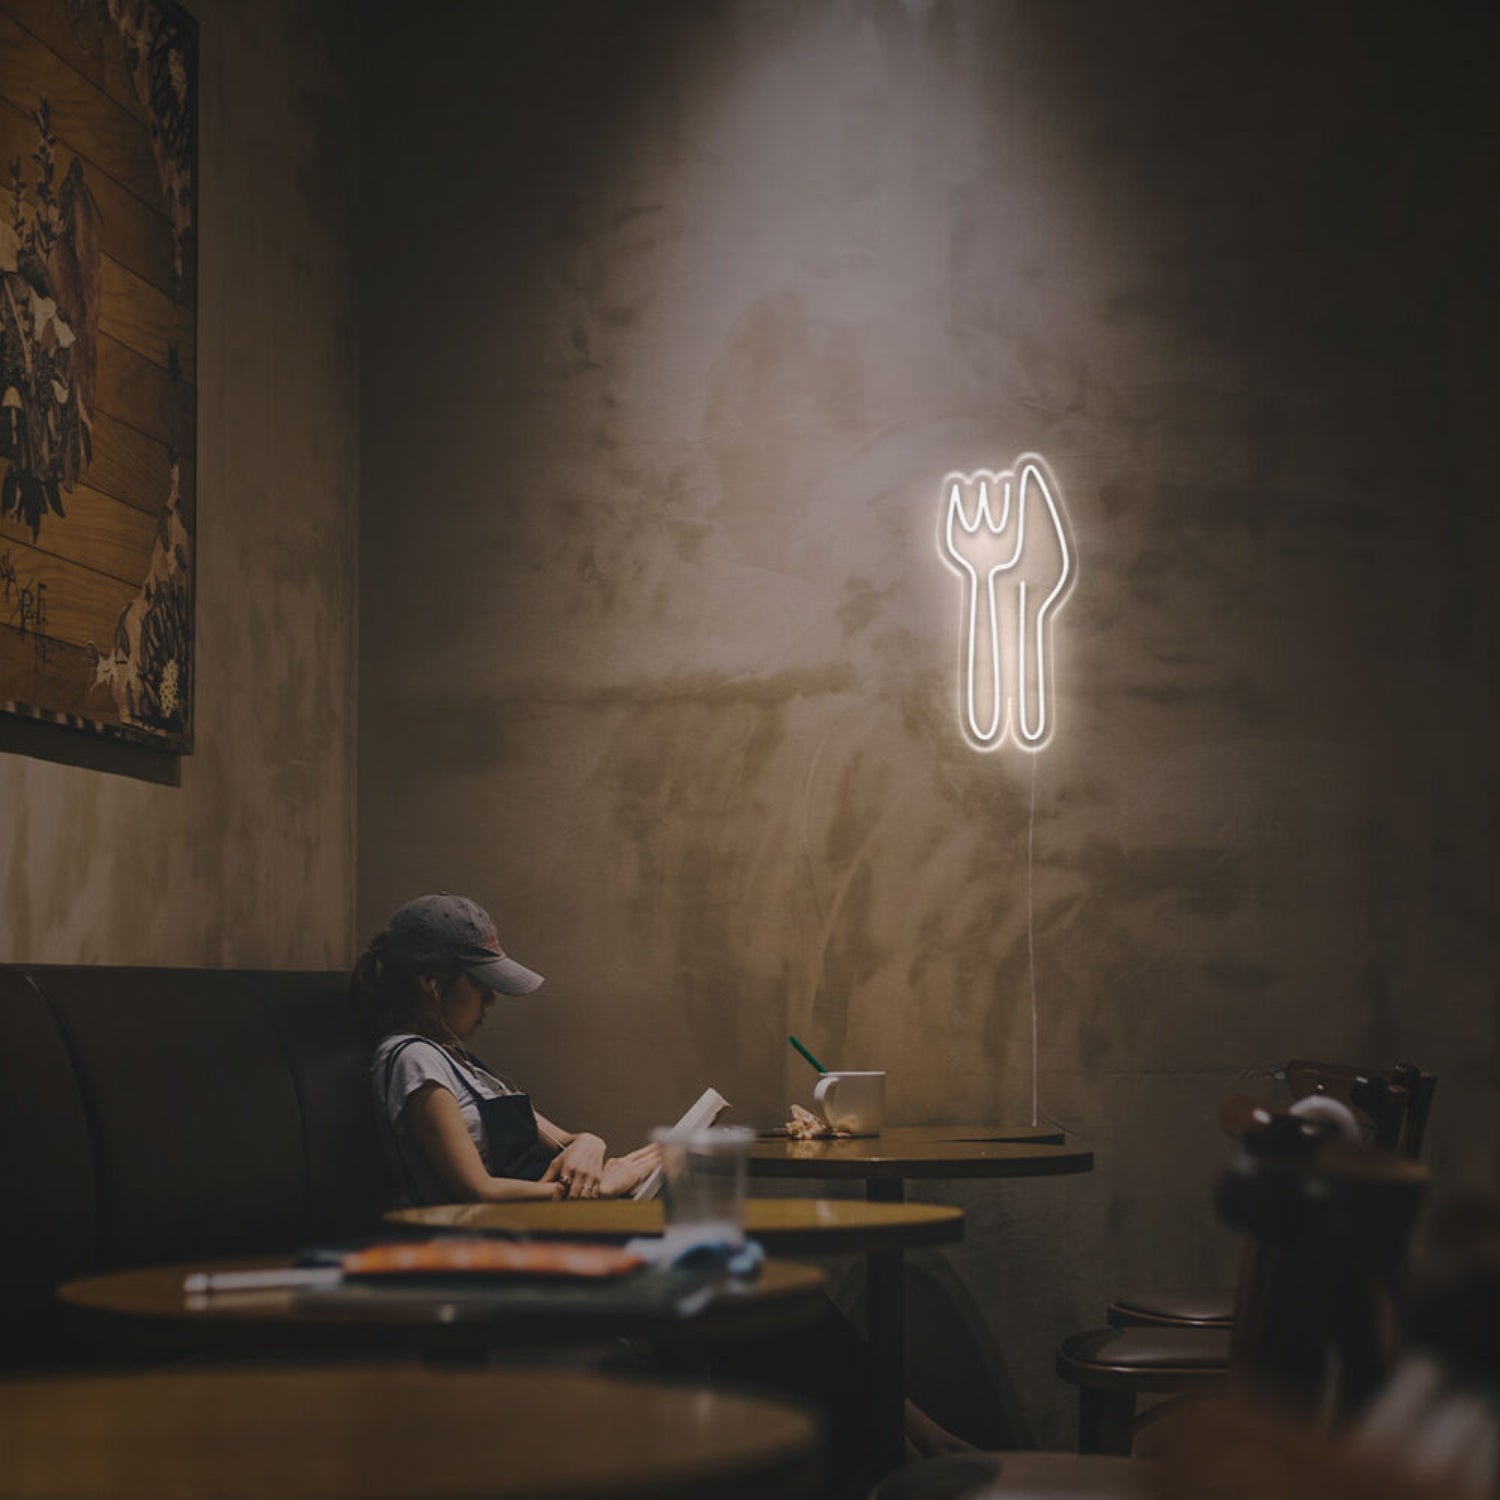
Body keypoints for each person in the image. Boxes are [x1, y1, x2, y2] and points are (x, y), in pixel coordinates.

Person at [351, 892, 659, 1205]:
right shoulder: (413, 1059)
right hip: (488, 1235)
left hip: (541, 1219)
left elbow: (566, 1140)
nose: (491, 998)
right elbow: (477, 1191)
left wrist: (591, 1145)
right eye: (479, 982)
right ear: (431, 982)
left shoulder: (459, 1062)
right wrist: (597, 1189)